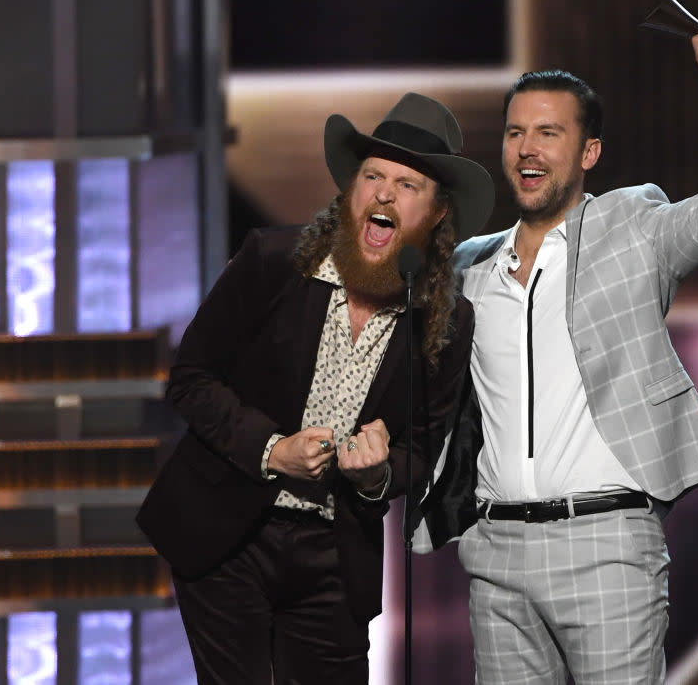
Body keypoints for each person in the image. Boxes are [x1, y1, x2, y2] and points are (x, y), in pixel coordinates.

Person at [416, 16, 698, 683]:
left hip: (606, 545)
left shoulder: (635, 229)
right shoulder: (470, 268)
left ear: (589, 153)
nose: (528, 148)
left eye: (550, 132)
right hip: (495, 553)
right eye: (517, 131)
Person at [136, 92, 494, 684]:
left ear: (436, 216)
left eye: (407, 186)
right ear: (350, 192)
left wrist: (378, 474)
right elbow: (191, 377)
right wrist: (272, 449)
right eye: (372, 176)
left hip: (335, 553)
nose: (383, 193)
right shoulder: (273, 262)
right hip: (229, 535)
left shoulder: (446, 324)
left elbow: (422, 452)